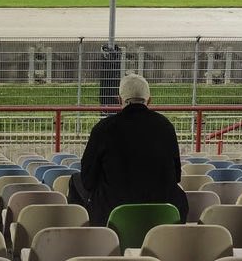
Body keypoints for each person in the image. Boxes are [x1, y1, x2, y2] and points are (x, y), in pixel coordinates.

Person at [68, 74, 188, 226]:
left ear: (119, 100)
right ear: (149, 100)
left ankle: (87, 238)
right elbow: (176, 176)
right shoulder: (166, 127)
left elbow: (87, 180)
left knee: (75, 182)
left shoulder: (103, 129)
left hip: (112, 215)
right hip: (161, 215)